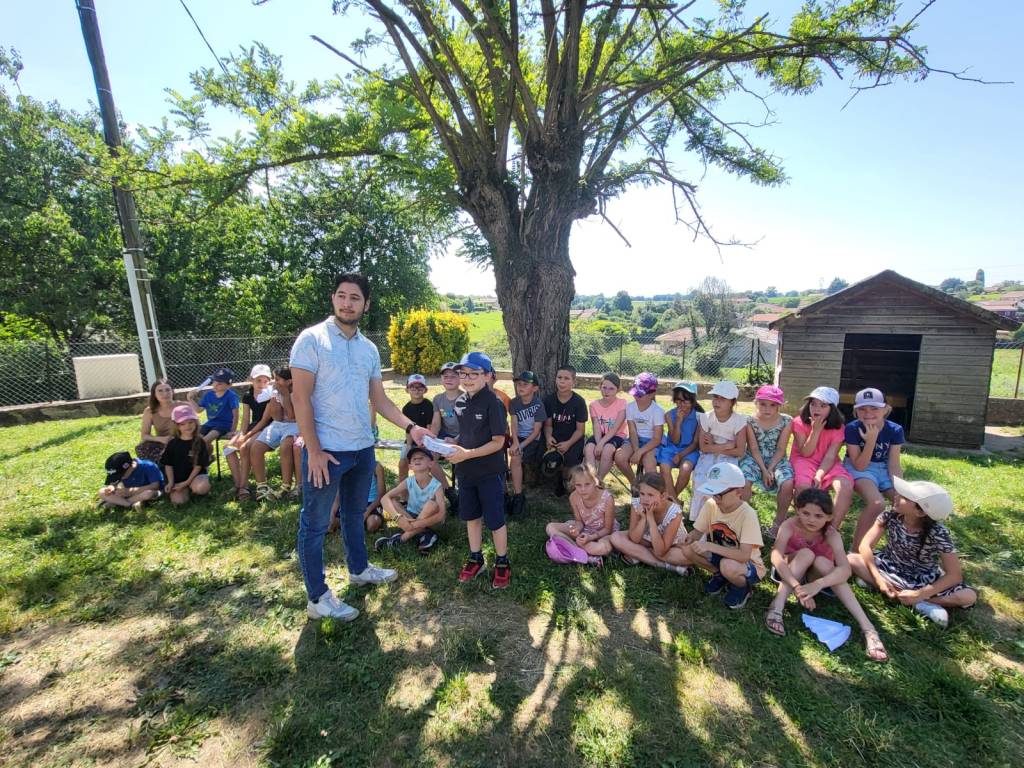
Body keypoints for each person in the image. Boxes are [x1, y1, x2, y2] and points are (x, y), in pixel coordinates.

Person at [290, 273, 432, 623]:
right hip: (326, 452)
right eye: (341, 296)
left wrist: (411, 427)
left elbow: (380, 400)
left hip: (361, 448)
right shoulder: (311, 340)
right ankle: (318, 597)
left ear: (365, 305)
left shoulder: (369, 349)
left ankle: (358, 568)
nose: (347, 303)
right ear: (333, 299)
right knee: (316, 523)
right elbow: (300, 398)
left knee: (354, 514)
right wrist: (315, 449)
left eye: (355, 298)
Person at [765, 489, 888, 661]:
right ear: (797, 510)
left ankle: (869, 629)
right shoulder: (790, 525)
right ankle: (777, 606)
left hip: (815, 577)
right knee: (807, 553)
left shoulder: (831, 534)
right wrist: (797, 586)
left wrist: (818, 584)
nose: (811, 520)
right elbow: (776, 556)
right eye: (805, 513)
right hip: (790, 571)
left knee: (824, 563)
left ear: (829, 517)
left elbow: (845, 570)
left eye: (818, 516)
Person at [848, 477, 976, 629]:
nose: (896, 496)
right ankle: (896, 593)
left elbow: (954, 575)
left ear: (921, 512)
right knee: (851, 559)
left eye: (904, 497)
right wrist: (879, 579)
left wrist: (919, 594)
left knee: (969, 596)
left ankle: (922, 602)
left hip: (921, 579)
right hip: (889, 567)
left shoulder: (938, 533)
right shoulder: (890, 515)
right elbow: (865, 546)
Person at [446, 351, 511, 589]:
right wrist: (451, 444)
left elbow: (498, 441)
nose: (468, 378)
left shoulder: (493, 403)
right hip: (465, 472)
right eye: (463, 373)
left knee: (495, 520)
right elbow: (466, 435)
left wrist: (468, 454)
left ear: (488, 376)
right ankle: (476, 558)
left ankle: (502, 562)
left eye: (474, 373)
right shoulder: (461, 401)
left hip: (489, 472)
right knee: (471, 517)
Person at [681, 463, 765, 609]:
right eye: (713, 494)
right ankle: (721, 576)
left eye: (719, 494)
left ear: (739, 491)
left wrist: (709, 546)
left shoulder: (748, 515)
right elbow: (697, 532)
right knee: (688, 549)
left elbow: (744, 556)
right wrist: (689, 538)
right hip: (721, 556)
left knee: (728, 565)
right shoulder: (711, 504)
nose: (716, 499)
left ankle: (742, 587)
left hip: (746, 565)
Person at [845, 387, 905, 548]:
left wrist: (901, 490)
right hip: (859, 468)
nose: (868, 413)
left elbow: (894, 463)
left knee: (906, 504)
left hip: (884, 468)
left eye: (874, 408)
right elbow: (859, 465)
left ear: (886, 409)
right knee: (877, 503)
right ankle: (856, 551)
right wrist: (871, 441)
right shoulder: (852, 428)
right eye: (862, 409)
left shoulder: (895, 430)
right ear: (856, 411)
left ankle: (901, 550)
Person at [790, 386, 854, 530]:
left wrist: (820, 474)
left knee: (845, 487)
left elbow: (831, 456)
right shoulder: (799, 422)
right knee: (803, 487)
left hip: (828, 463)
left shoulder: (839, 428)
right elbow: (806, 453)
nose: (816, 408)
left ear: (832, 408)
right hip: (804, 460)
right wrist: (815, 431)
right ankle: (802, 526)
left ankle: (830, 530)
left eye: (823, 405)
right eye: (813, 403)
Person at [739, 385, 795, 538]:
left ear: (779, 406)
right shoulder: (749, 421)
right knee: (744, 480)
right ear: (756, 403)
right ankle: (743, 520)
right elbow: (754, 448)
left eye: (773, 405)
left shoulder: (786, 421)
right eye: (763, 403)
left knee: (788, 483)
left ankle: (778, 523)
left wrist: (770, 468)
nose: (767, 408)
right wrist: (764, 470)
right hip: (753, 458)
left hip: (777, 460)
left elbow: (781, 449)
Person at [688, 380, 748, 521]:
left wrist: (715, 446)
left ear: (732, 402)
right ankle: (699, 519)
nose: (717, 401)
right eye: (715, 397)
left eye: (723, 398)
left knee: (722, 483)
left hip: (729, 459)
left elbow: (739, 451)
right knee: (700, 480)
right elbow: (703, 447)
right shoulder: (706, 417)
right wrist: (727, 445)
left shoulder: (739, 421)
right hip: (708, 456)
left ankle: (720, 518)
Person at [609, 472, 689, 574]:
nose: (645, 499)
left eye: (650, 495)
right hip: (647, 539)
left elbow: (661, 551)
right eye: (642, 494)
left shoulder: (674, 512)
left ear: (663, 496)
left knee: (685, 557)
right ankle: (666, 566)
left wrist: (650, 519)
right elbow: (634, 539)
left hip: (671, 546)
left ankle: (638, 555)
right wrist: (643, 519)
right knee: (615, 537)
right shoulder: (637, 503)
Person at [374, 446, 447, 553]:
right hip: (411, 516)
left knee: (432, 505)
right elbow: (385, 498)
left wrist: (414, 525)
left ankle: (400, 539)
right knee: (393, 501)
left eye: (421, 458)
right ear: (410, 466)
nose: (417, 460)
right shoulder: (409, 481)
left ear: (431, 464)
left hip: (431, 521)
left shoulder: (437, 486)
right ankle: (425, 535)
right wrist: (397, 518)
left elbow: (441, 515)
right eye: (414, 459)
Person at [545, 464, 618, 566]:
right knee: (550, 527)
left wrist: (591, 537)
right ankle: (585, 555)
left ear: (595, 482)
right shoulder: (574, 497)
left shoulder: (607, 499)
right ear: (573, 484)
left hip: (603, 534)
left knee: (603, 548)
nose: (583, 489)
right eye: (578, 485)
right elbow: (579, 521)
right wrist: (576, 530)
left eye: (587, 484)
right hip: (585, 530)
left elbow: (608, 529)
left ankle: (573, 547)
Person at [224, 364, 275, 499]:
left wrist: (246, 436)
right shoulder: (247, 395)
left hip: (266, 427)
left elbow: (265, 420)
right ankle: (239, 483)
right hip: (254, 426)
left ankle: (243, 486)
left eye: (265, 381)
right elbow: (246, 418)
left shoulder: (271, 395)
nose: (262, 384)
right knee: (228, 448)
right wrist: (241, 434)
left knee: (245, 446)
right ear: (251, 379)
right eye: (258, 380)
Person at [251, 367, 299, 501]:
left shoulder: (296, 392)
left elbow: (291, 415)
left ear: (289, 381)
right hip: (278, 424)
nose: (274, 382)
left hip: (294, 425)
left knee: (285, 446)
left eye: (277, 379)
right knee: (256, 447)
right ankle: (261, 487)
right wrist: (275, 398)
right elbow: (276, 417)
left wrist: (285, 396)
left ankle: (286, 485)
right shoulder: (275, 392)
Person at [614, 372, 665, 493]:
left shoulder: (657, 411)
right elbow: (632, 431)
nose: (636, 397)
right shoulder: (630, 407)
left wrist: (641, 452)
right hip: (634, 439)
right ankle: (636, 485)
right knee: (619, 457)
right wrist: (636, 450)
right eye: (635, 393)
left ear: (652, 394)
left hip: (652, 442)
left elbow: (657, 438)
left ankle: (653, 492)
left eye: (640, 395)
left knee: (649, 463)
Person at [542, 365, 589, 496]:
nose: (562, 381)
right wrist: (548, 437)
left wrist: (568, 444)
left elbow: (580, 430)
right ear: (555, 379)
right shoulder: (549, 400)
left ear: (574, 382)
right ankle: (556, 477)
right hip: (555, 437)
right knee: (549, 456)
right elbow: (548, 425)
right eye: (559, 377)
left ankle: (565, 480)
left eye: (566, 378)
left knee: (570, 459)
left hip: (573, 438)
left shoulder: (579, 402)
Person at [508, 370, 546, 516]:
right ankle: (518, 495)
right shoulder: (514, 402)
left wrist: (521, 446)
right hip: (518, 437)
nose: (520, 387)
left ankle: (518, 496)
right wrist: (516, 442)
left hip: (532, 439)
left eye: (525, 384)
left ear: (535, 388)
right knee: (515, 456)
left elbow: (536, 431)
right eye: (518, 384)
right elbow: (514, 423)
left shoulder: (538, 405)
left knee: (517, 455)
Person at [655, 381, 702, 500]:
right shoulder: (669, 415)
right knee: (664, 467)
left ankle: (671, 499)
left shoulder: (700, 416)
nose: (681, 404)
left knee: (685, 469)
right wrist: (678, 421)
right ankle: (674, 502)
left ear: (692, 400)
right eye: (678, 400)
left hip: (690, 450)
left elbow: (696, 443)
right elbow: (675, 441)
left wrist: (681, 455)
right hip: (671, 447)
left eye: (685, 400)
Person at [160, 404, 212, 505]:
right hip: (178, 478)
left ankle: (192, 487)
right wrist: (171, 482)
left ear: (196, 422)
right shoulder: (172, 443)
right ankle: (186, 491)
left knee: (202, 488)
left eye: (190, 422)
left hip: (195, 476)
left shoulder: (199, 441)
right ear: (176, 426)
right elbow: (168, 464)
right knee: (178, 502)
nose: (188, 426)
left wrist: (187, 482)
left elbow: (198, 466)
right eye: (182, 424)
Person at [584, 372, 628, 484]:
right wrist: (599, 443)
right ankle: (591, 479)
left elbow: (615, 428)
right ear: (600, 387)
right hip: (601, 435)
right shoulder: (594, 405)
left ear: (618, 390)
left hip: (617, 435)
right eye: (604, 387)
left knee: (608, 449)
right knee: (589, 448)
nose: (606, 391)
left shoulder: (622, 404)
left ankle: (599, 480)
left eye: (611, 389)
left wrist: (601, 444)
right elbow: (596, 426)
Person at [430, 361, 463, 510]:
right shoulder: (438, 399)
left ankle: (464, 494)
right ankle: (449, 492)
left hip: (465, 437)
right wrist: (431, 439)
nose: (449, 379)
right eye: (445, 376)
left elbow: (471, 426)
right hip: (445, 436)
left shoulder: (466, 398)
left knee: (462, 458)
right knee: (430, 458)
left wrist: (456, 440)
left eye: (453, 376)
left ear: (460, 378)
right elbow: (436, 423)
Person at [137, 379, 193, 462]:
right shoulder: (150, 411)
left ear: (172, 391)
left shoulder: (184, 406)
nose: (165, 394)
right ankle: (158, 470)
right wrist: (161, 439)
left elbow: (194, 427)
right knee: (141, 447)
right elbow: (144, 435)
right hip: (162, 442)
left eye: (168, 390)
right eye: (160, 391)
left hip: (184, 440)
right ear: (154, 394)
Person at [189, 367, 240, 447]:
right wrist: (190, 399)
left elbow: (236, 415)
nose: (215, 385)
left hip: (224, 425)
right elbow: (198, 410)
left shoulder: (231, 396)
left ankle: (201, 457)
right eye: (214, 381)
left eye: (220, 383)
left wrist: (232, 430)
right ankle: (207, 456)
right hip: (210, 423)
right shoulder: (208, 395)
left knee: (204, 441)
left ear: (229, 385)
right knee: (195, 440)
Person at [98, 451, 163, 510]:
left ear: (130, 466)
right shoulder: (123, 470)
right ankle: (128, 504)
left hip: (146, 491)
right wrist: (111, 488)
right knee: (101, 491)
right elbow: (114, 483)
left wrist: (131, 491)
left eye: (121, 475)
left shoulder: (148, 466)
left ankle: (118, 503)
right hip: (128, 494)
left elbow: (155, 486)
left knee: (148, 493)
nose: (121, 478)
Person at [399, 373, 434, 479]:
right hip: (411, 440)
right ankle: (403, 491)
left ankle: (427, 489)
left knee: (423, 465)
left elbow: (429, 427)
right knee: (402, 463)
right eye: (412, 387)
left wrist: (424, 444)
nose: (416, 389)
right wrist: (409, 446)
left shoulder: (428, 405)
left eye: (420, 387)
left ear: (425, 390)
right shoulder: (406, 408)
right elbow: (408, 429)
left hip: (425, 441)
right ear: (407, 390)